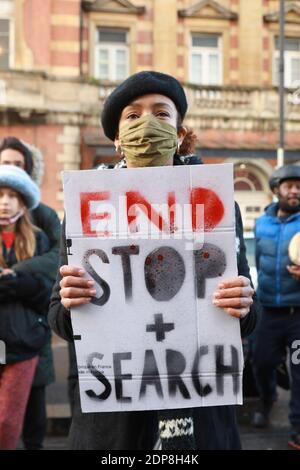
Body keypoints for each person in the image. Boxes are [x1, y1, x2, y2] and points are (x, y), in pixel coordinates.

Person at [48, 71, 257, 450]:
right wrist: (69, 301)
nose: (147, 124)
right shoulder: (84, 213)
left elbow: (245, 320)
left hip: (200, 415)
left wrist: (243, 305)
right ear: (117, 140)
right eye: (133, 116)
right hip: (114, 424)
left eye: (161, 114)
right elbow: (60, 320)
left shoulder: (219, 207)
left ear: (179, 133)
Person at [0, 137, 60, 449]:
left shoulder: (42, 222)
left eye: (17, 165)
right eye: (5, 164)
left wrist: (22, 280)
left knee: (30, 411)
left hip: (29, 338)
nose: (6, 201)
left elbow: (59, 259)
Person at [252, 164, 300, 450]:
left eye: (298, 186)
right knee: (261, 363)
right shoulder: (261, 223)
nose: (294, 190)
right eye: (289, 185)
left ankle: (297, 426)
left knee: (299, 369)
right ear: (275, 190)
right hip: (268, 309)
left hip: (299, 313)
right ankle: (267, 397)